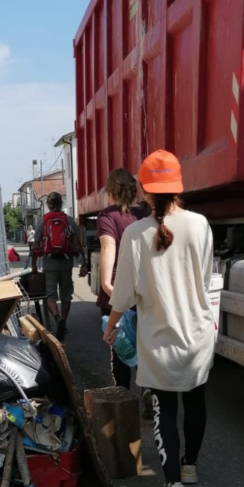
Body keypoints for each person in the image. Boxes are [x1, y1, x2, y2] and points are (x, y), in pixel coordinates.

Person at [103, 150, 215, 487]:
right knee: (195, 400)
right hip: (198, 335)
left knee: (164, 409)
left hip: (161, 340)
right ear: (178, 187)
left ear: (145, 192)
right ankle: (190, 467)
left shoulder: (136, 233)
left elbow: (123, 293)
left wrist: (111, 324)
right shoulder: (200, 224)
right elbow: (205, 276)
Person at [96, 168, 152, 418]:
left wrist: (107, 283)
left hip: (120, 289)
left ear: (110, 192)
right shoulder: (145, 213)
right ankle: (149, 387)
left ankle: (124, 400)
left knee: (120, 345)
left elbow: (108, 246)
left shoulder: (108, 216)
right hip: (146, 289)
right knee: (146, 341)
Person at [32, 191, 86, 340]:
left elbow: (36, 245)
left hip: (49, 262)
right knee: (66, 295)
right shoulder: (69, 220)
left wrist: (33, 265)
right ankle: (64, 321)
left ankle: (57, 318)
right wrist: (84, 263)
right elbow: (77, 243)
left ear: (48, 205)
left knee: (50, 295)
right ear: (61, 204)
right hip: (66, 262)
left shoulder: (42, 221)